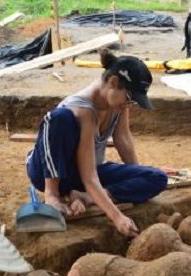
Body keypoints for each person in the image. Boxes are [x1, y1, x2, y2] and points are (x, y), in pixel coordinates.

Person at [26, 50, 168, 238]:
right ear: (114, 82)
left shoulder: (117, 104)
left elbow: (123, 139)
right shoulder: (84, 110)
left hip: (85, 175)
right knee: (60, 118)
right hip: (50, 172)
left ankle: (85, 196)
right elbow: (89, 177)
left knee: (157, 177)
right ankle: (52, 194)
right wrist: (117, 217)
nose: (129, 105)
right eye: (129, 98)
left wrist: (136, 175)